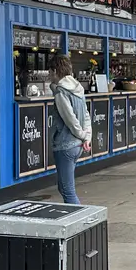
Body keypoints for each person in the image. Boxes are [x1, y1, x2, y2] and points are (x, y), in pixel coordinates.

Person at [50, 54, 92, 204]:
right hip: (77, 146)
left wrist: (81, 134)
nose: (49, 75)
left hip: (65, 144)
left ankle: (81, 224)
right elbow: (86, 115)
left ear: (55, 70)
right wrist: (86, 137)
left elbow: (70, 119)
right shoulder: (78, 88)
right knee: (64, 188)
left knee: (68, 191)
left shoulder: (61, 92)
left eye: (50, 71)